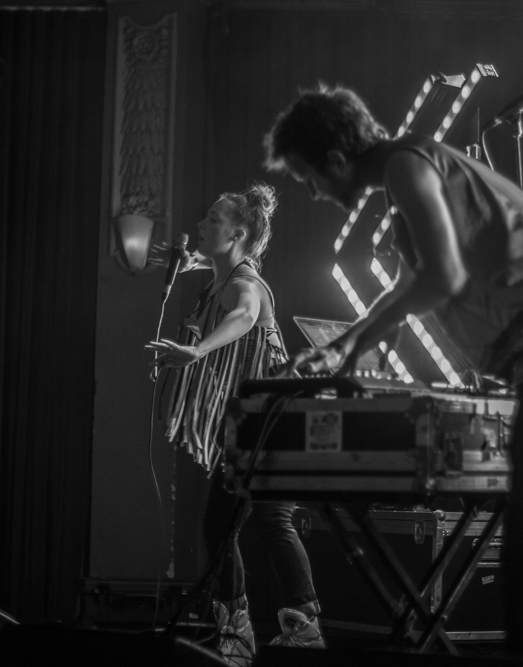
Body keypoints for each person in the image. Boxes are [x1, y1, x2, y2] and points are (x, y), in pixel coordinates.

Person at [263, 85, 523, 667]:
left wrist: (352, 344)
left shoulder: (408, 164)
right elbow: (410, 285)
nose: (313, 193)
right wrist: (346, 344)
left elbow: (441, 276)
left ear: (335, 159)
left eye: (308, 178)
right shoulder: (412, 172)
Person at [146, 184, 324, 667]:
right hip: (261, 422)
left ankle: (250, 633)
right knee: (241, 524)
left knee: (245, 523)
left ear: (238, 234)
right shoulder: (226, 274)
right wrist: (190, 261)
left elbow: (245, 314)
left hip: (271, 422)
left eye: (212, 220)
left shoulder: (244, 285)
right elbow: (217, 267)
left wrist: (198, 350)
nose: (201, 224)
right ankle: (280, 630)